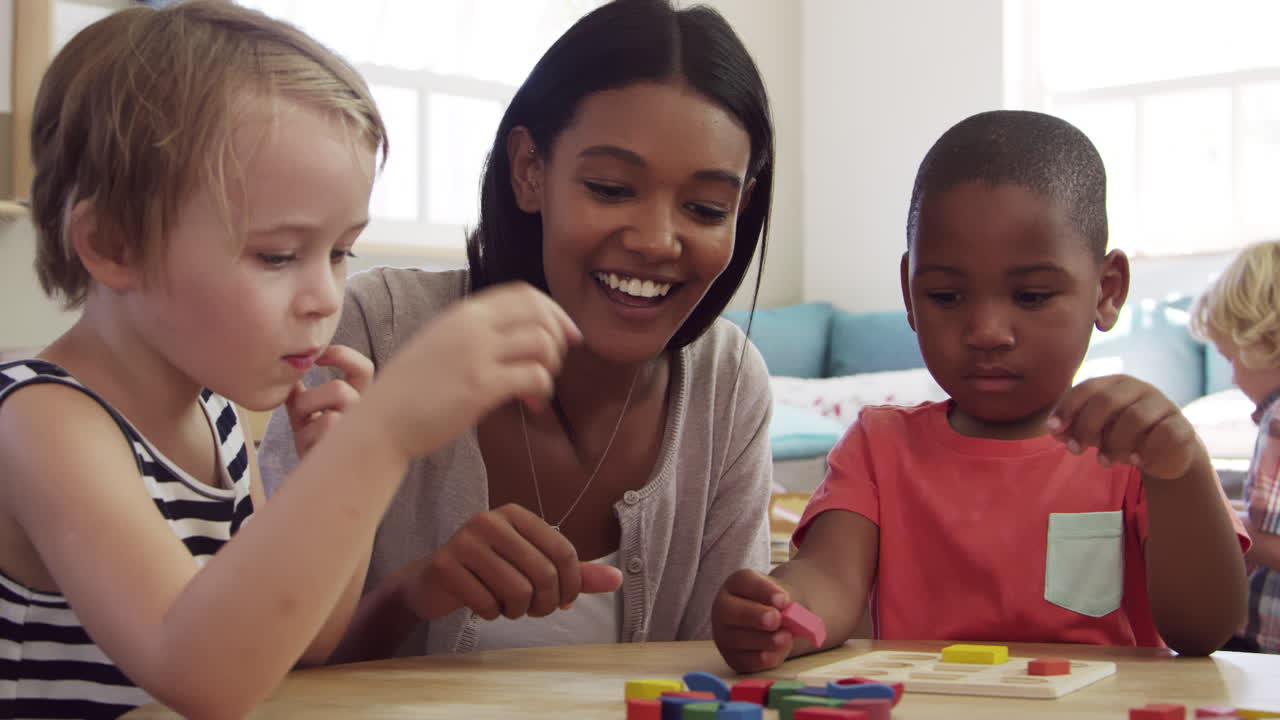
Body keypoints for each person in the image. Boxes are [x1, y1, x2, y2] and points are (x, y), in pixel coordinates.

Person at [0, 3, 582, 718]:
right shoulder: (42, 419)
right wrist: (382, 438)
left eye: (341, 252)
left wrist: (330, 475)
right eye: (278, 255)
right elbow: (198, 671)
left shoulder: (212, 416)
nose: (323, 296)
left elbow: (307, 640)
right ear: (116, 245)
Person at [258, 0, 776, 660]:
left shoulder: (728, 385)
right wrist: (411, 595)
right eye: (611, 188)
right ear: (531, 170)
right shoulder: (373, 336)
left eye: (706, 208)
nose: (656, 241)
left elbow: (717, 676)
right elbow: (262, 668)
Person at [711, 109, 1251, 673]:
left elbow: (1204, 628)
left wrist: (1180, 470)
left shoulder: (1137, 447)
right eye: (946, 296)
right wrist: (781, 613)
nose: (987, 332)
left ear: (1107, 290)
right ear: (910, 294)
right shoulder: (879, 444)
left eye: (1033, 295)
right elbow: (830, 580)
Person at [1191, 239, 1280, 654]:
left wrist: (1222, 529)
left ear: (1266, 343)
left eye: (1232, 360)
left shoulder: (1277, 418)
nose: (1233, 380)